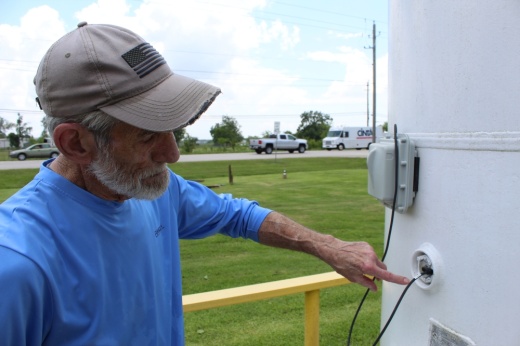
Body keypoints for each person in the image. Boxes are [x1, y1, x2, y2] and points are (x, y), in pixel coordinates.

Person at [0, 22, 409, 345]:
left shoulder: (155, 189)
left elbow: (239, 215)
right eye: (147, 135)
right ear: (75, 143)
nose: (173, 154)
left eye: (173, 129)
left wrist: (327, 245)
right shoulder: (18, 264)